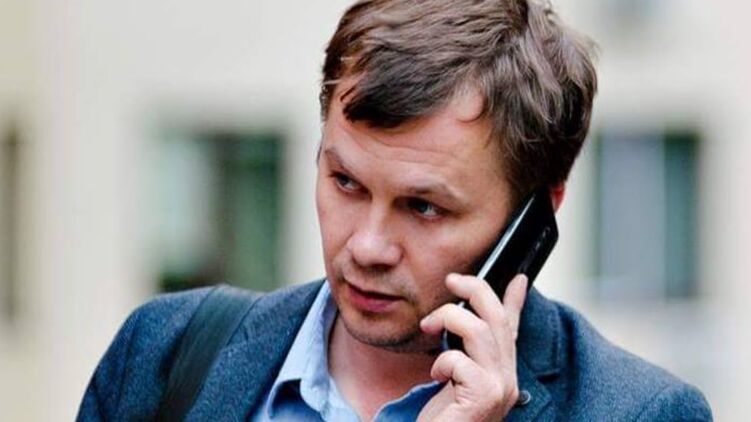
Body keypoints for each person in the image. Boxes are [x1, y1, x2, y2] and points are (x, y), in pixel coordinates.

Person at [78, 0, 713, 420]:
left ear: (535, 219)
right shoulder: (162, 356)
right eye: (346, 182)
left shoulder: (642, 413)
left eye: (423, 207)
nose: (366, 246)